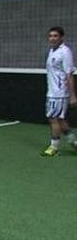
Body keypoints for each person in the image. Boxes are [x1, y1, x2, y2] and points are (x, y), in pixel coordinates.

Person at [41, 26, 77, 156]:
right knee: (60, 120)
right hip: (52, 92)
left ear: (62, 37)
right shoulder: (52, 51)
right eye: (50, 36)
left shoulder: (65, 52)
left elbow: (69, 74)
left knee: (53, 118)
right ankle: (73, 142)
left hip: (59, 93)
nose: (52, 38)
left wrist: (73, 95)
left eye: (55, 36)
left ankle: (54, 147)